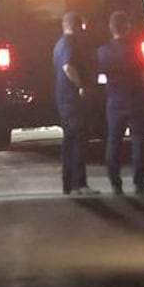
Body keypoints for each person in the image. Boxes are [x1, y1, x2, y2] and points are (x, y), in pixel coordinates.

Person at [96, 10, 144, 195]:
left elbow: (100, 76)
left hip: (115, 100)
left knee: (113, 142)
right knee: (139, 142)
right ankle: (139, 183)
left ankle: (115, 183)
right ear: (127, 28)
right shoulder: (136, 49)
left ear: (111, 28)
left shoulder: (102, 52)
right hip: (137, 99)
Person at [53, 12, 97, 196]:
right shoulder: (70, 44)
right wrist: (80, 85)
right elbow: (68, 66)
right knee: (79, 140)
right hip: (72, 100)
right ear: (78, 26)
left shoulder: (59, 45)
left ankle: (68, 184)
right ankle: (80, 183)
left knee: (69, 142)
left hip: (63, 99)